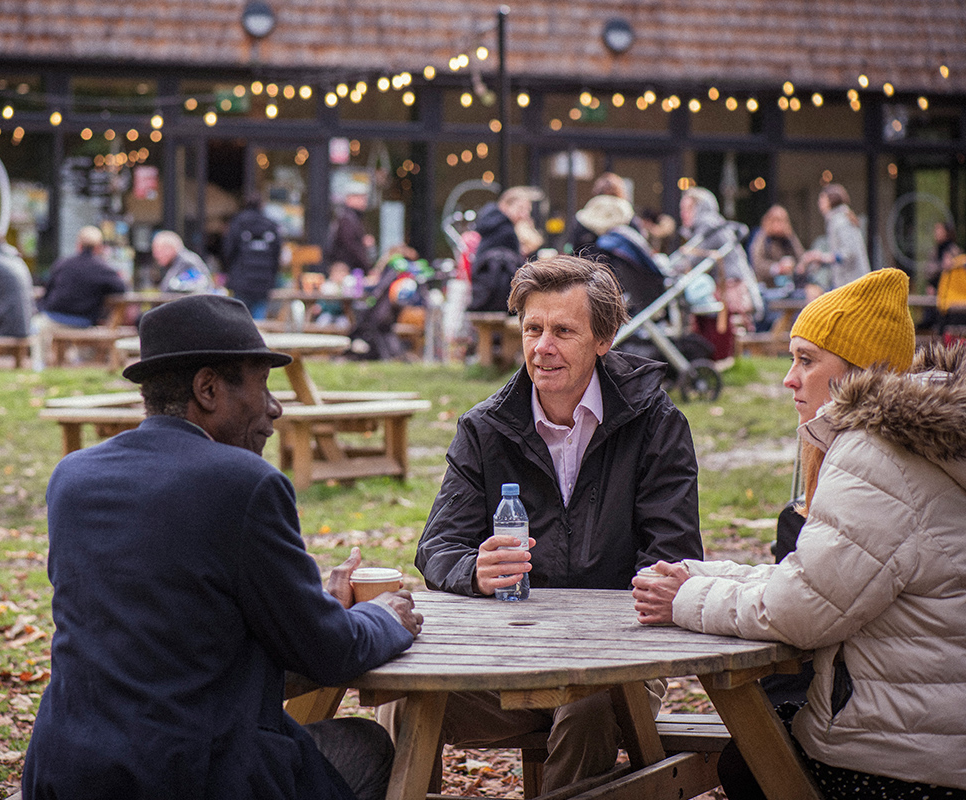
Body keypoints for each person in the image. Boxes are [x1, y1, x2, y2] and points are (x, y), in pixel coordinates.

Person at [22, 295, 423, 800]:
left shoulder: (72, 477)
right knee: (367, 746)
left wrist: (309, 604)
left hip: (66, 772)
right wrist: (384, 617)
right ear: (208, 389)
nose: (274, 408)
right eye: (262, 385)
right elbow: (329, 651)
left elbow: (168, 611)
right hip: (187, 774)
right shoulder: (244, 482)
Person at [634, 269, 966, 800]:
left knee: (749, 763)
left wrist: (686, 599)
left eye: (807, 360)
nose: (790, 378)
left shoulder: (876, 454)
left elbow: (801, 610)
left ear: (859, 371)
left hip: (900, 763)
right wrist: (705, 574)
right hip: (937, 743)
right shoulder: (926, 443)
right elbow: (825, 578)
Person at [405, 254, 703, 793]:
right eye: (532, 329)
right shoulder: (485, 428)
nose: (543, 347)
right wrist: (475, 569)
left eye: (563, 331)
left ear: (604, 338)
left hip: (616, 663)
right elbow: (437, 546)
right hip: (510, 655)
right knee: (407, 703)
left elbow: (673, 555)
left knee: (586, 711)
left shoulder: (656, 424)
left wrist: (611, 637)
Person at [678, 186, 761, 361]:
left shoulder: (710, 228)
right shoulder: (712, 226)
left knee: (725, 329)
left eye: (687, 208)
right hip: (728, 286)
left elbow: (692, 260)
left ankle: (721, 360)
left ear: (699, 208)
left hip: (729, 287)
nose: (682, 214)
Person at [31, 226, 127, 368]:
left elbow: (48, 290)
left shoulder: (63, 264)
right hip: (83, 322)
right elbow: (121, 288)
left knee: (36, 324)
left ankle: (39, 366)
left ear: (78, 245)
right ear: (99, 248)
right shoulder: (102, 269)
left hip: (53, 320)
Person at [468, 186, 537, 313]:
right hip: (499, 299)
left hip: (484, 296)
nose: (525, 215)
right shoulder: (506, 231)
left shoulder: (492, 225)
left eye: (527, 210)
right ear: (505, 206)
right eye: (521, 209)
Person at [222, 193, 282, 319]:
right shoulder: (270, 225)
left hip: (241, 281)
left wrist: (230, 272)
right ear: (261, 205)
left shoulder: (237, 223)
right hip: (263, 283)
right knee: (258, 325)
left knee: (240, 321)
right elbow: (277, 256)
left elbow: (228, 251)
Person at [800, 183, 869, 290]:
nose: (819, 203)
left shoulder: (841, 221)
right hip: (849, 282)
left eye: (822, 199)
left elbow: (849, 253)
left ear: (831, 200)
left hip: (852, 282)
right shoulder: (839, 219)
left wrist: (821, 257)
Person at [566, 172, 635, 258]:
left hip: (590, 266)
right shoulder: (627, 213)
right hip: (619, 267)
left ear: (597, 190)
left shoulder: (584, 216)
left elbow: (571, 248)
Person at [748, 205, 805, 289]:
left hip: (788, 286)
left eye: (782, 221)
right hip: (766, 286)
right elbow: (757, 263)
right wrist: (776, 268)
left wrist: (793, 265)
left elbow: (801, 257)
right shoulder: (762, 237)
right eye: (776, 221)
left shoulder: (789, 237)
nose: (779, 225)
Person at [324, 187, 375, 276]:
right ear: (349, 199)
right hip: (345, 269)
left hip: (350, 268)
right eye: (359, 198)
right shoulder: (347, 219)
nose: (363, 201)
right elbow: (351, 246)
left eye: (364, 198)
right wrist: (367, 267)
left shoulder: (353, 217)